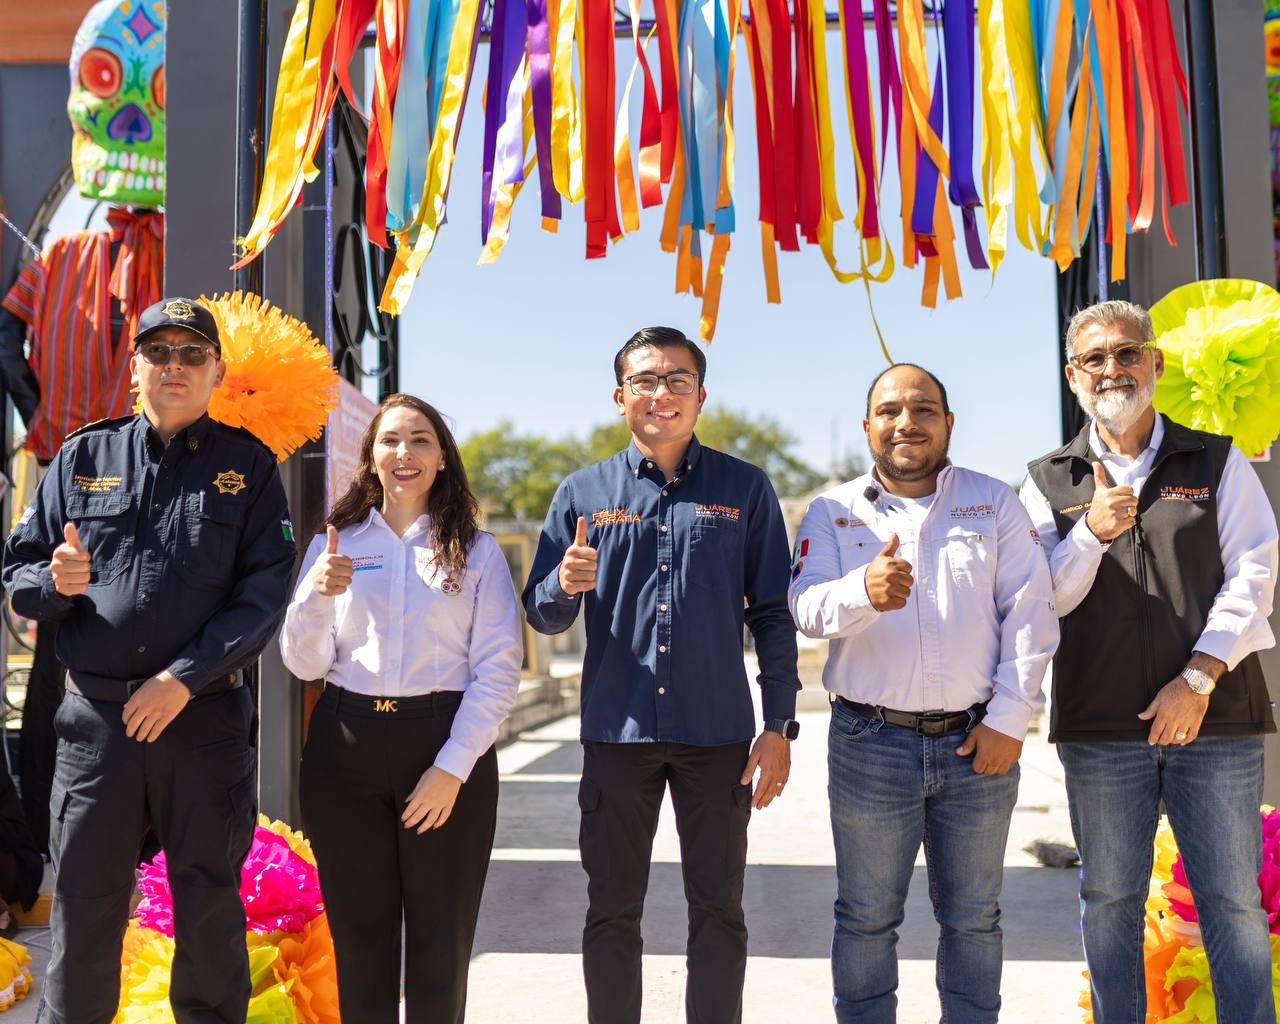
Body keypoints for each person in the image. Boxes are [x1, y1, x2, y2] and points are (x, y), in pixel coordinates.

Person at [1, 296, 295, 1023]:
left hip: (203, 722)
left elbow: (263, 597)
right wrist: (53, 583)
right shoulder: (81, 455)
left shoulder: (248, 468)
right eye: (158, 352)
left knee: (208, 908)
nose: (175, 366)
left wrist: (180, 680)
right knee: (84, 908)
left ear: (216, 371)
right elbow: (22, 571)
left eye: (192, 354)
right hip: (95, 725)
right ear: (134, 366)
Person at [522, 326, 800, 1024]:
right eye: (646, 379)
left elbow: (772, 613)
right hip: (618, 733)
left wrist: (778, 725)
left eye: (678, 379)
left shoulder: (745, 489)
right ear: (621, 397)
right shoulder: (582, 493)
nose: (662, 392)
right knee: (612, 912)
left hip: (718, 737)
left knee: (719, 912)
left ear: (701, 396)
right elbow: (543, 616)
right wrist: (562, 582)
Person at [1020, 300, 1278, 1023]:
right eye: (1095, 359)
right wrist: (1088, 537)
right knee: (1109, 901)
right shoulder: (1046, 483)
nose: (1113, 369)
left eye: (1127, 353)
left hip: (1214, 719)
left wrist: (1197, 679)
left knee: (1230, 899)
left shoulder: (1218, 460)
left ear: (1155, 364)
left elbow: (1254, 575)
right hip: (1101, 730)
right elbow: (1040, 603)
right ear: (1073, 378)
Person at [789, 363, 1059, 1023]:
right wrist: (863, 592)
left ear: (947, 423)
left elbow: (1031, 613)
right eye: (890, 410)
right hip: (869, 744)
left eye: (923, 409)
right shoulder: (831, 510)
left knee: (973, 919)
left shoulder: (994, 502)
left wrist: (1008, 720)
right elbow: (803, 605)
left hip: (978, 744)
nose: (906, 422)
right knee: (866, 916)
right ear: (867, 426)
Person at [280, 393, 522, 1024]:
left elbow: (498, 670)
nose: (404, 453)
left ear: (441, 457)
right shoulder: (334, 545)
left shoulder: (476, 551)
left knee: (441, 947)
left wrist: (452, 768)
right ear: (370, 457)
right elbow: (303, 664)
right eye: (390, 440)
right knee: (360, 944)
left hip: (443, 747)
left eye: (419, 440)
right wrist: (315, 598)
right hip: (344, 749)